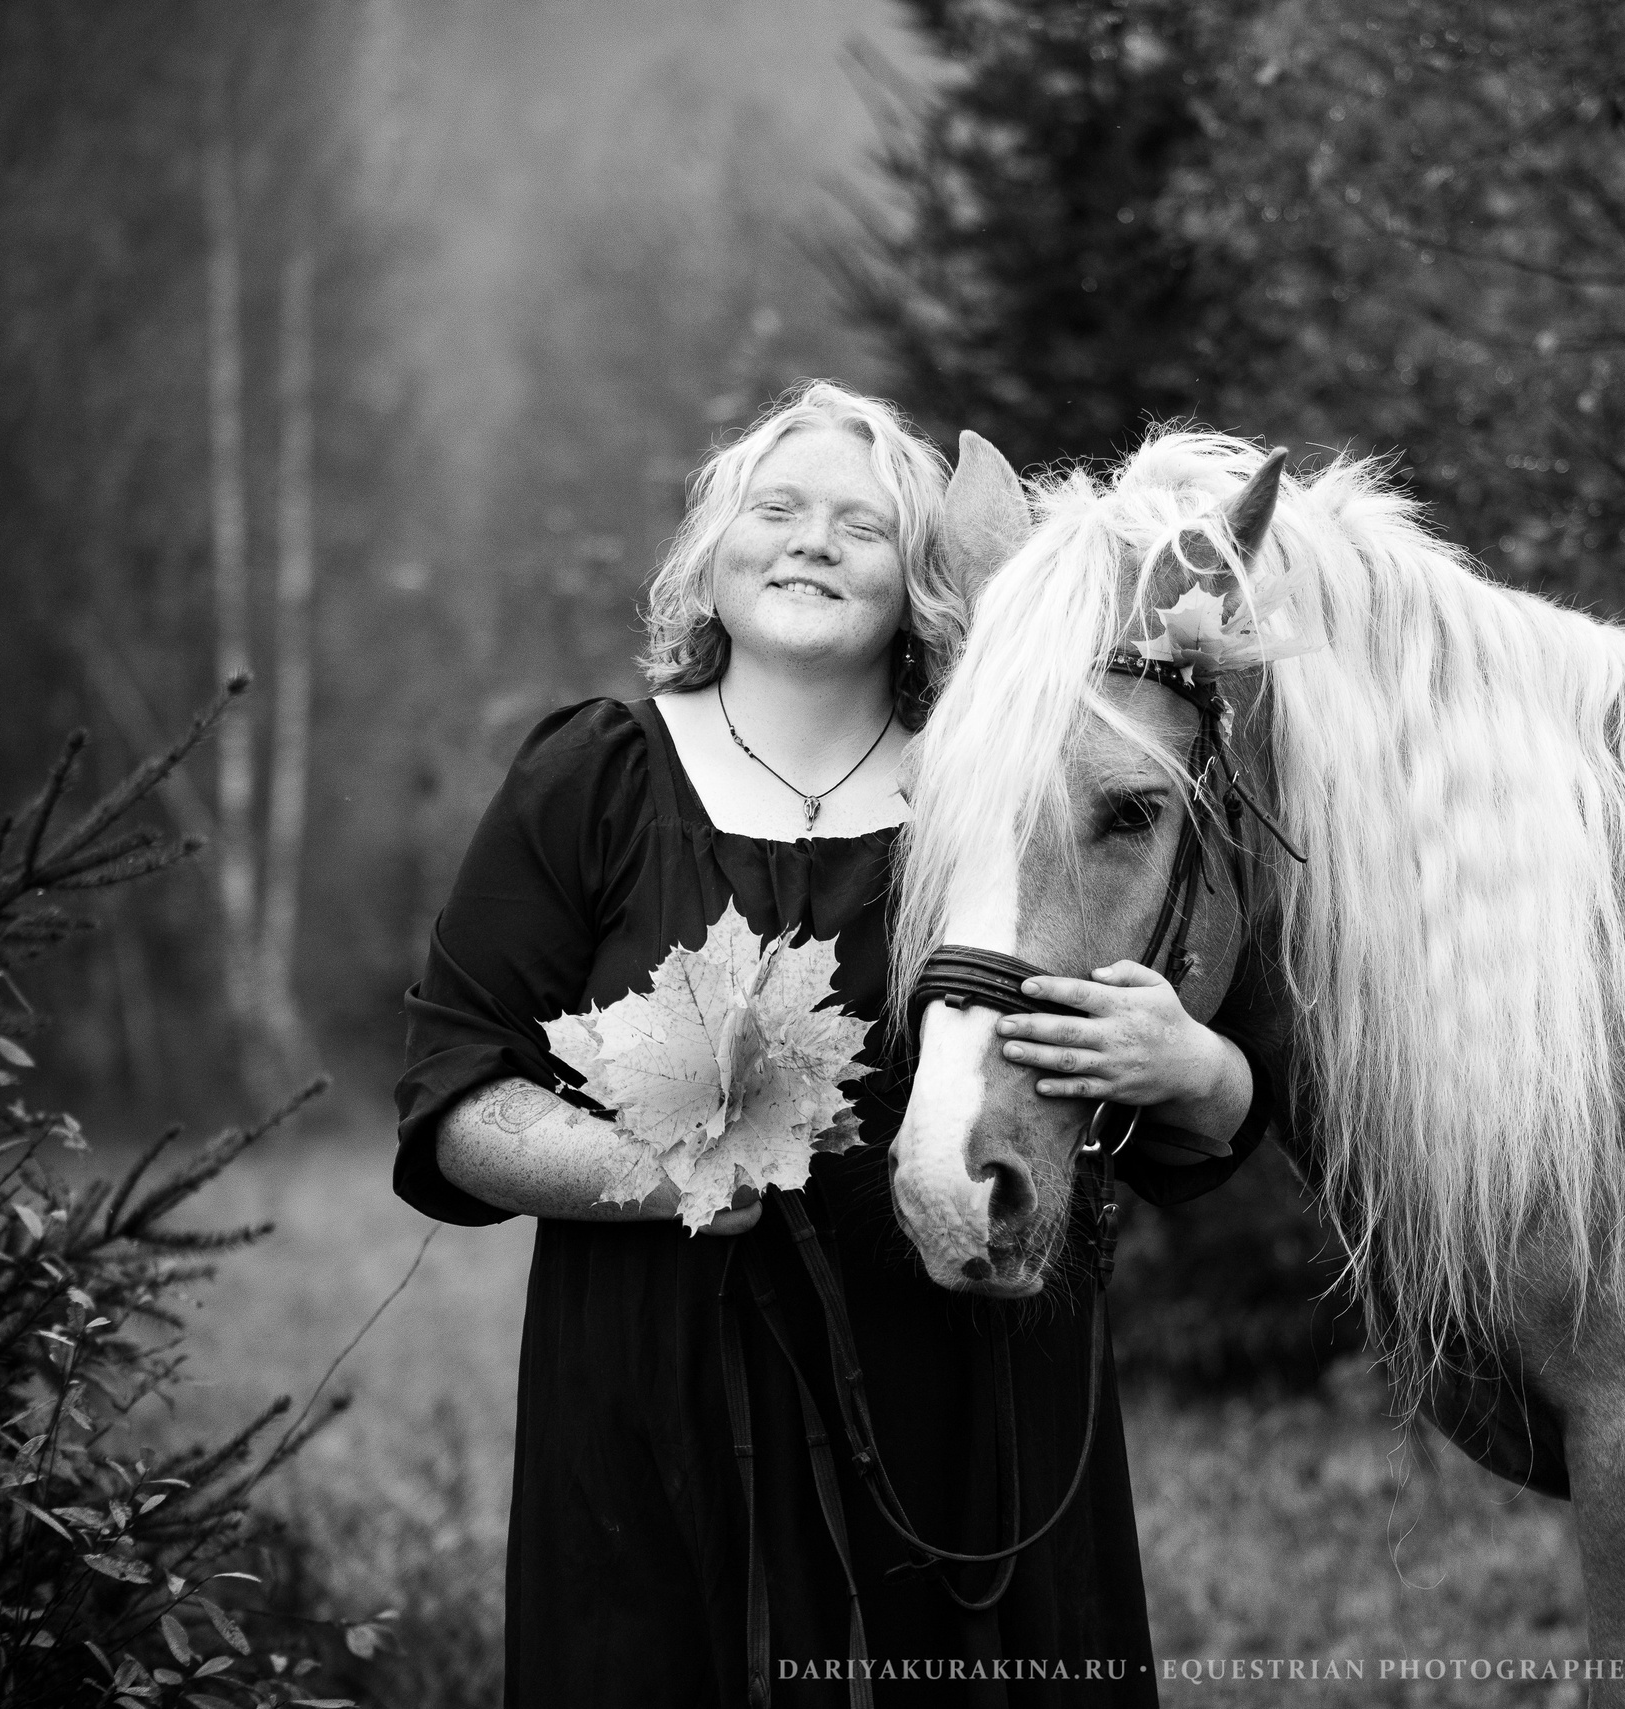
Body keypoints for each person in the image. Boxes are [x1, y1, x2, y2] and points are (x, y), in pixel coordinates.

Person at [393, 382, 1280, 1707]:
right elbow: (456, 1100)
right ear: (713, 550)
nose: (811, 540)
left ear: (927, 576)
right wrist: (664, 1169)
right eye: (778, 508)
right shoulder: (593, 780)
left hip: (970, 1412)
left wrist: (1197, 1068)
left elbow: (1208, 1107)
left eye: (859, 525)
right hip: (661, 1416)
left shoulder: (1011, 784)